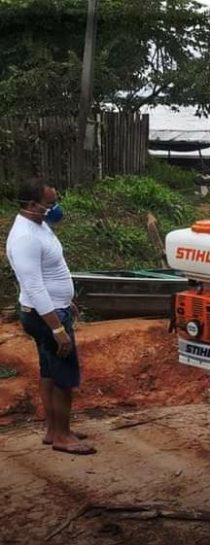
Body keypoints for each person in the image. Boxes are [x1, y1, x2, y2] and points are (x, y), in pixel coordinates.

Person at [5, 177, 95, 455]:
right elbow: (33, 285)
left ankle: (53, 430)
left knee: (49, 372)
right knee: (64, 377)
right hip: (46, 316)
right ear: (32, 205)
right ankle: (63, 436)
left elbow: (52, 271)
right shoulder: (25, 238)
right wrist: (57, 328)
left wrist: (68, 302)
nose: (56, 208)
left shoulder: (39, 225)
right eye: (50, 203)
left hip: (53, 309)